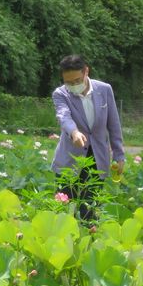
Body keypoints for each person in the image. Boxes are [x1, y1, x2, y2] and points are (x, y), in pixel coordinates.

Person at [51, 55, 125, 220]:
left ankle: (89, 243)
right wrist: (74, 132)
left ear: (86, 71)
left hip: (97, 159)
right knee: (63, 213)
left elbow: (113, 124)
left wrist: (119, 154)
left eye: (77, 80)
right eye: (69, 82)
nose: (73, 86)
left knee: (90, 212)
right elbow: (63, 116)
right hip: (69, 161)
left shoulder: (104, 90)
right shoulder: (60, 94)